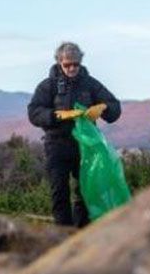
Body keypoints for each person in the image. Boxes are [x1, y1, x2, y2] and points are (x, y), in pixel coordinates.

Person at [27, 42, 121, 227]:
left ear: (80, 62)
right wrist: (54, 115)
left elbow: (115, 108)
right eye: (67, 64)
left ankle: (82, 233)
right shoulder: (48, 86)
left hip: (85, 145)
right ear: (59, 62)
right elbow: (34, 112)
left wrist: (103, 107)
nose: (72, 68)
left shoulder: (90, 84)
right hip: (57, 144)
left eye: (75, 64)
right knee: (59, 191)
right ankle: (63, 234)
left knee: (86, 192)